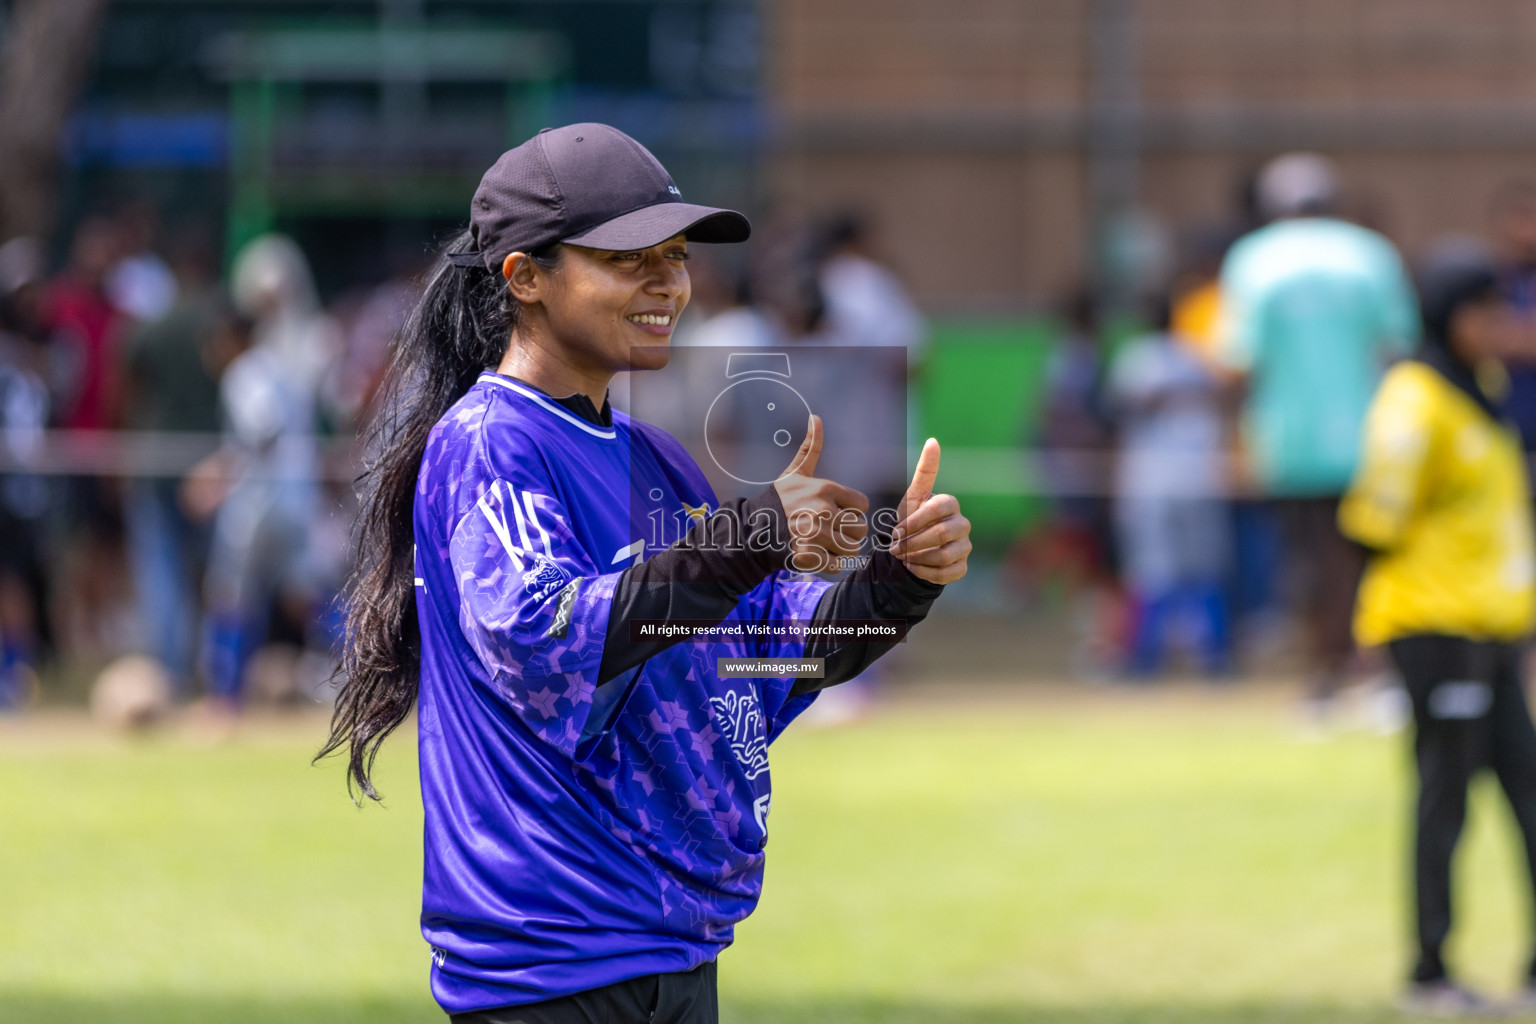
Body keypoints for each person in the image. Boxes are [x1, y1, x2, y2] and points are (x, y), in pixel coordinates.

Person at [318, 123, 971, 1022]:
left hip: (669, 948)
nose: (668, 282)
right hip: (551, 964)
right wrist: (754, 534)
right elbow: (547, 637)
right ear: (526, 277)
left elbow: (766, 655)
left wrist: (898, 582)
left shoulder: (653, 458)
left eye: (674, 256)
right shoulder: (488, 442)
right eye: (629, 258)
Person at [1338, 253, 1536, 1016]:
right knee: (1444, 798)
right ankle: (1429, 974)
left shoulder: (1476, 389)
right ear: (1449, 316)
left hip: (1491, 627)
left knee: (1524, 791)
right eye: (1485, 312)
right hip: (1435, 627)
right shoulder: (1415, 401)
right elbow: (1371, 521)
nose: (1500, 326)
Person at [1216, 153, 1419, 712]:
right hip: (1374, 440)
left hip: (1290, 443)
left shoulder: (1254, 260)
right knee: (1373, 561)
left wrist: (1231, 440)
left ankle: (1323, 682)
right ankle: (1380, 677)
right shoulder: (1371, 255)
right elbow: (1399, 349)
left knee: (1306, 564)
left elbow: (1237, 362)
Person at [1106, 296, 1231, 677]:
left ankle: (1146, 658)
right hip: (1199, 479)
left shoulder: (1136, 359)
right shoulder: (1196, 358)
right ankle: (1211, 657)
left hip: (1152, 483)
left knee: (1154, 571)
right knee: (1201, 569)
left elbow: (1115, 412)